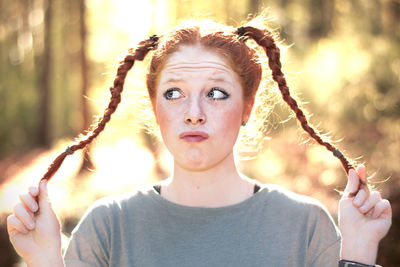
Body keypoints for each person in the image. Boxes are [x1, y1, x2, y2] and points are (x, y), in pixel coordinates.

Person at [7, 15, 392, 267]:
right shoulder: (107, 228)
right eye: (174, 93)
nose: (194, 112)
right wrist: (45, 259)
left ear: (247, 107)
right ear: (155, 109)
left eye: (216, 93)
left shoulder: (305, 226)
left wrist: (359, 251)